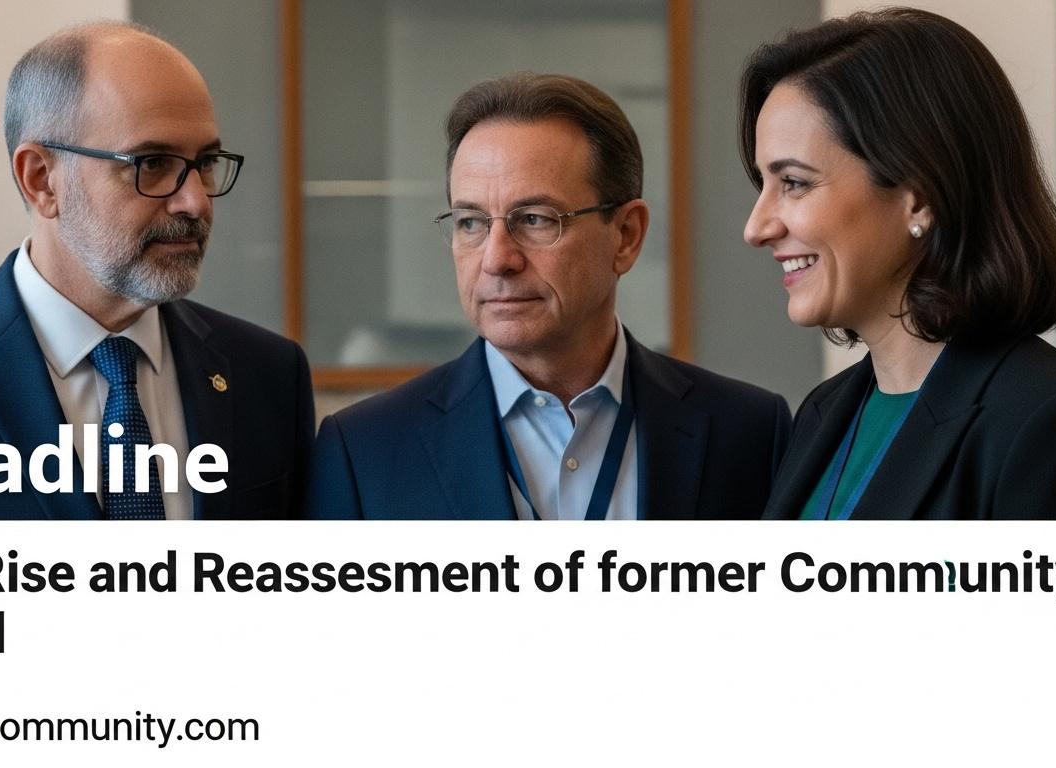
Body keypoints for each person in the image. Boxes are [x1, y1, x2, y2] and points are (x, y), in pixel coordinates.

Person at [0, 22, 314, 519]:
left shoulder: (268, 375)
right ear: (41, 180)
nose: (196, 202)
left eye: (204, 163)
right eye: (152, 164)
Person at [741, 8, 1056, 519]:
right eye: (764, 184)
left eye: (794, 183)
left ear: (919, 197)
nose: (756, 227)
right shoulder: (822, 414)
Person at [306, 73, 790, 520]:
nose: (497, 259)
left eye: (535, 219)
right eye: (471, 222)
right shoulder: (364, 452)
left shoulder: (748, 433)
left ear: (626, 235)